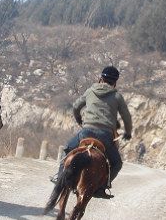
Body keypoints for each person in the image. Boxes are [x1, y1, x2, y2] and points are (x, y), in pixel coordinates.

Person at [53, 66, 132, 199]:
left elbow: (76, 107)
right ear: (115, 82)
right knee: (117, 163)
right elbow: (126, 117)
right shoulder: (117, 96)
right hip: (105, 136)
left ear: (101, 78)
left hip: (86, 132)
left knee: (67, 149)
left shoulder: (90, 91)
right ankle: (102, 188)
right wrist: (128, 132)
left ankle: (60, 177)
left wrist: (79, 120)